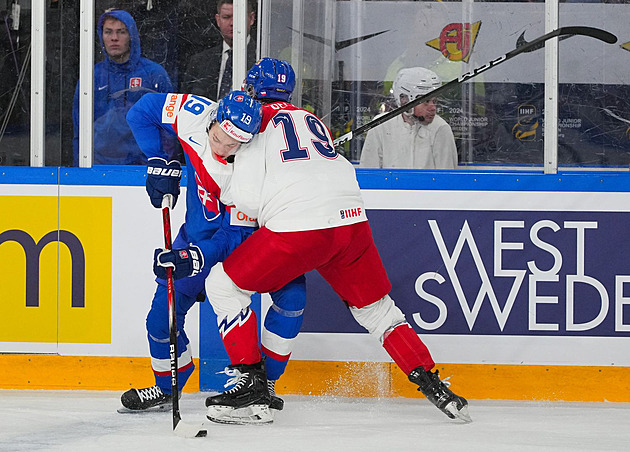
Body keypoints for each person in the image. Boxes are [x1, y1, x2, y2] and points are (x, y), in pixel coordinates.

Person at [156, 58, 471, 423]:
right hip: (352, 222)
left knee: (223, 286)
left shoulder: (249, 124)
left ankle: (253, 385)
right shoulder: (311, 119)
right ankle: (435, 385)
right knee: (378, 310)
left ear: (252, 89)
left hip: (301, 227)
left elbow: (245, 203)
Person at [121, 89, 306, 425]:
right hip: (195, 240)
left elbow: (234, 235)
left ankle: (261, 385)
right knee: (160, 321)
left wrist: (193, 258)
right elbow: (142, 110)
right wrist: (160, 158)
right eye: (219, 138)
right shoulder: (194, 113)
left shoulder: (250, 170)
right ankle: (167, 389)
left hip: (234, 250)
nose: (222, 149)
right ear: (215, 118)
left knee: (292, 295)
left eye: (233, 145)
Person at [72, 9, 175, 166]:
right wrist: (79, 170)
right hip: (99, 169)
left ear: (131, 35)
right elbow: (79, 130)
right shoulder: (91, 76)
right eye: (108, 32)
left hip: (145, 169)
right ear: (101, 36)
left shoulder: (153, 73)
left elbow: (169, 129)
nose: (114, 38)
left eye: (121, 32)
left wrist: (162, 168)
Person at [359, 67, 458, 169]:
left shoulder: (440, 128)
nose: (433, 108)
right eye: (426, 101)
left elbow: (447, 179)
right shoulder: (380, 125)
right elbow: (368, 173)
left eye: (434, 101)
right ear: (404, 99)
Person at [180, 0, 257, 99]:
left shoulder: (260, 56)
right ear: (218, 20)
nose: (232, 23)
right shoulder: (199, 62)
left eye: (237, 16)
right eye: (226, 17)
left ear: (251, 18)